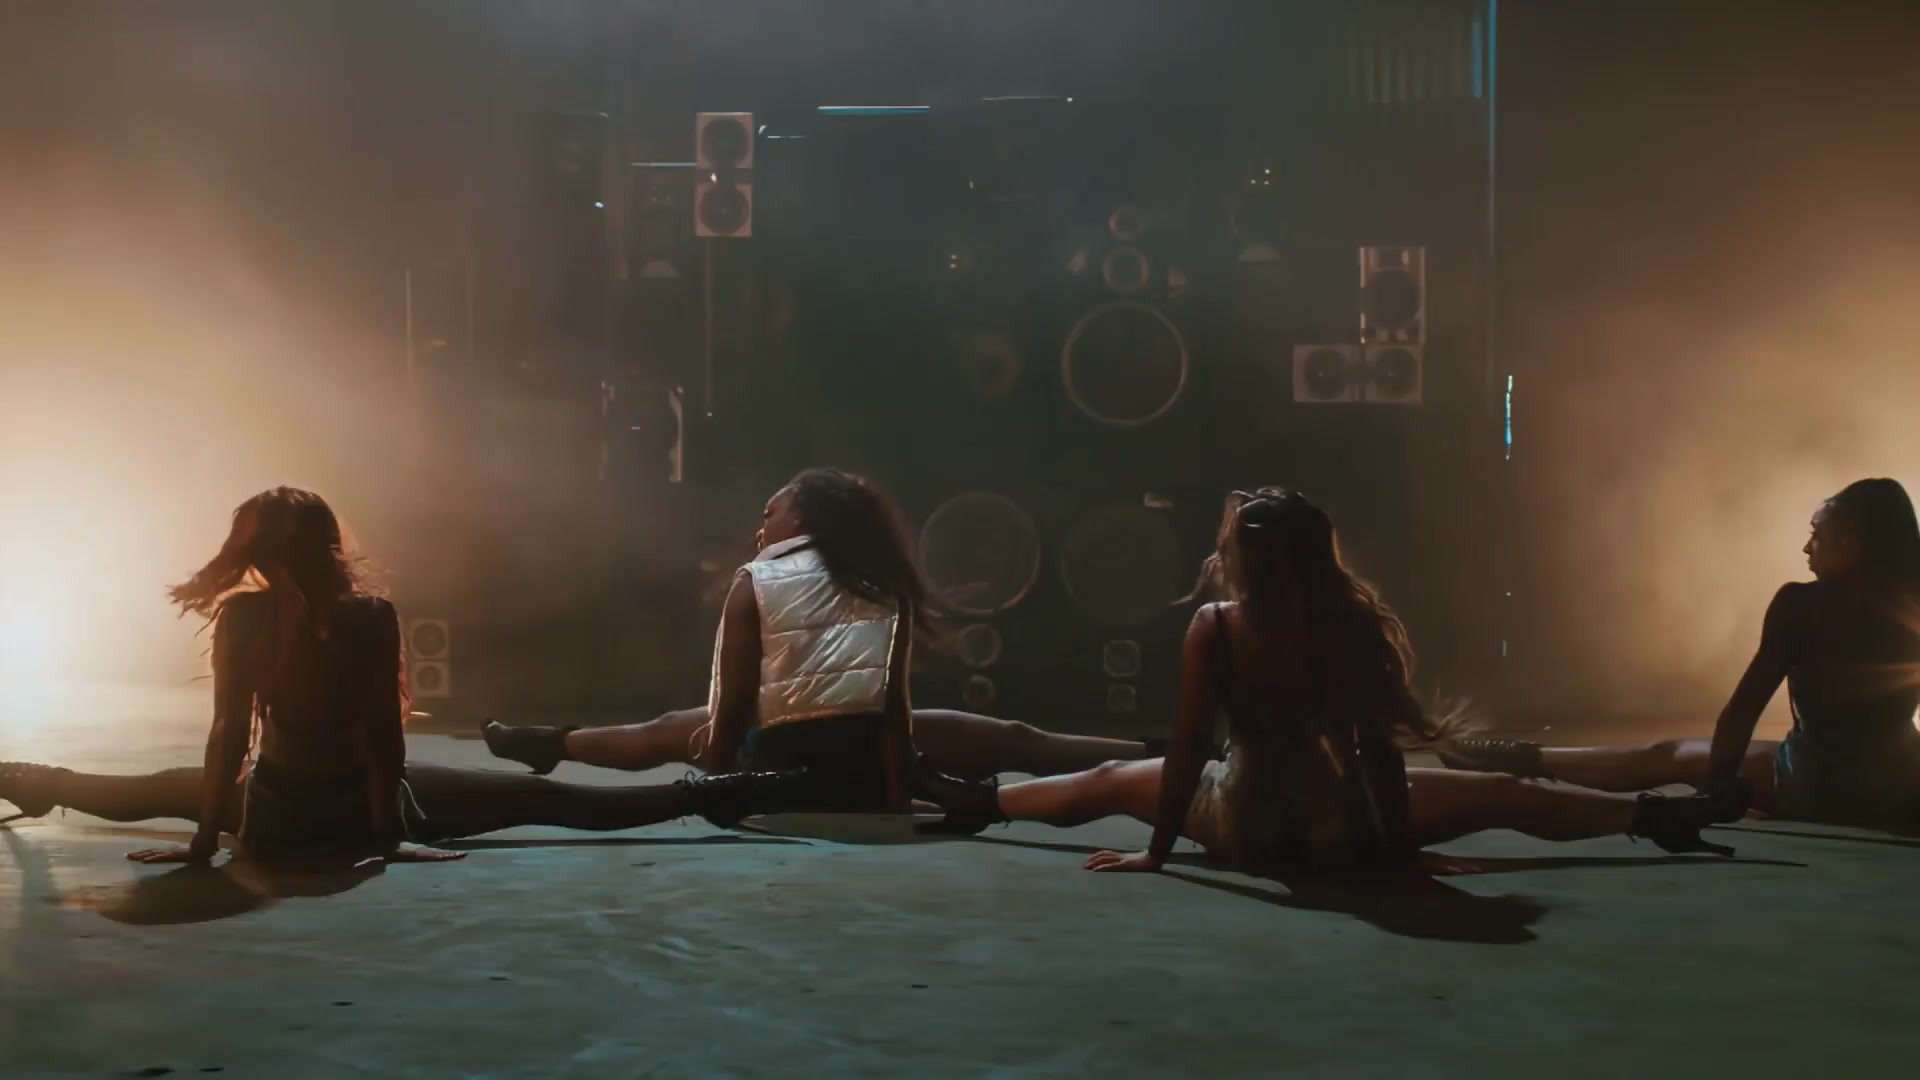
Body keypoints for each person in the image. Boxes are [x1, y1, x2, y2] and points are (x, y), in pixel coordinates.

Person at [919, 488, 1740, 871]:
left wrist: (1158, 856)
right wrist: (1395, 853)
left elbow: (1189, 748)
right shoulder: (1346, 621)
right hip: (1337, 824)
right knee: (1503, 793)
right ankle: (1652, 818)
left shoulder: (1216, 626)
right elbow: (1373, 753)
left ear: (1246, 559)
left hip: (1241, 823)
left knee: (1106, 778)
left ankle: (979, 804)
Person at [0, 487, 808, 858]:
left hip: (272, 817)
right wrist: (388, 833)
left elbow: (225, 735)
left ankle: (30, 780)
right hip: (357, 812)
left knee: (162, 788)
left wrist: (208, 839)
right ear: (330, 545)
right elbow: (383, 737)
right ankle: (717, 795)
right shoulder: (368, 614)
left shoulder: (242, 616)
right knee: (548, 800)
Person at [1438, 478, 1920, 834]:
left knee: (1666, 755)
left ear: (1851, 545)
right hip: (1900, 791)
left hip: (1819, 787)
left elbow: (1742, 710)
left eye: (1817, 534)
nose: (1806, 547)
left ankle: (1517, 759)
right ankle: (1514, 757)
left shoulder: (1801, 605)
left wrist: (1716, 790)